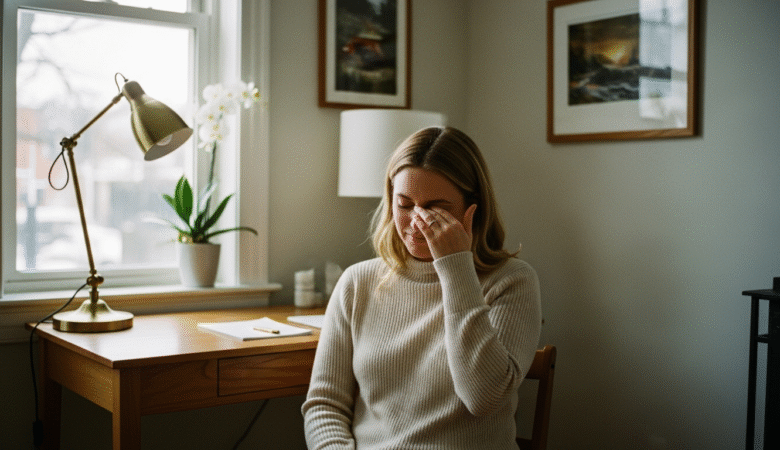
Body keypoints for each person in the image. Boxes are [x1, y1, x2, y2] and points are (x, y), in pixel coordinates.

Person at [302, 126, 541, 449]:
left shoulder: (512, 281)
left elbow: (483, 399)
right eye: (404, 205)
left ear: (474, 208)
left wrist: (456, 267)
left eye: (435, 207)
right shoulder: (357, 283)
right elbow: (324, 405)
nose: (417, 222)